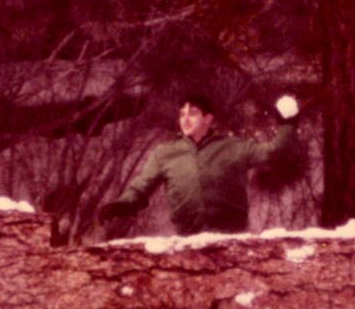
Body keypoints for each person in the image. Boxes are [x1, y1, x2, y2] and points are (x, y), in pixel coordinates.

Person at [100, 91, 300, 236]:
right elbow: (141, 187)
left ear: (208, 119)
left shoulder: (234, 147)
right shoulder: (165, 153)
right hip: (188, 239)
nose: (185, 119)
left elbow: (274, 153)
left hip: (230, 237)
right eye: (182, 114)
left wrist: (288, 124)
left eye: (193, 113)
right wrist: (123, 204)